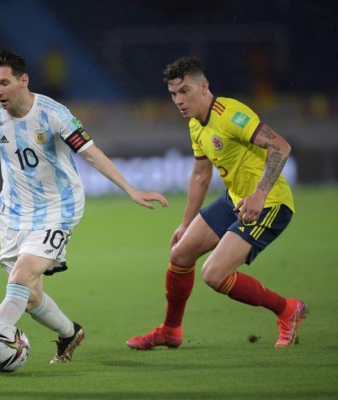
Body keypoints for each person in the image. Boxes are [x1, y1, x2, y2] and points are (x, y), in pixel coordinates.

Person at [0, 50, 168, 373]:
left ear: (23, 80)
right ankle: (70, 333)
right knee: (29, 296)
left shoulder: (53, 114)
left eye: (4, 82)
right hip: (14, 212)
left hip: (57, 208)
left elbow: (91, 153)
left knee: (20, 277)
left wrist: (130, 188)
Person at [126, 56, 307, 351]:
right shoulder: (196, 123)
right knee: (181, 253)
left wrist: (259, 195)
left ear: (204, 86)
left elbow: (281, 147)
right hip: (235, 199)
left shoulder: (231, 114)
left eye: (184, 91)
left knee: (213, 274)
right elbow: (200, 174)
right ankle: (170, 331)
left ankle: (288, 310)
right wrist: (186, 223)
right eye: (173, 94)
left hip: (269, 203)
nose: (178, 100)